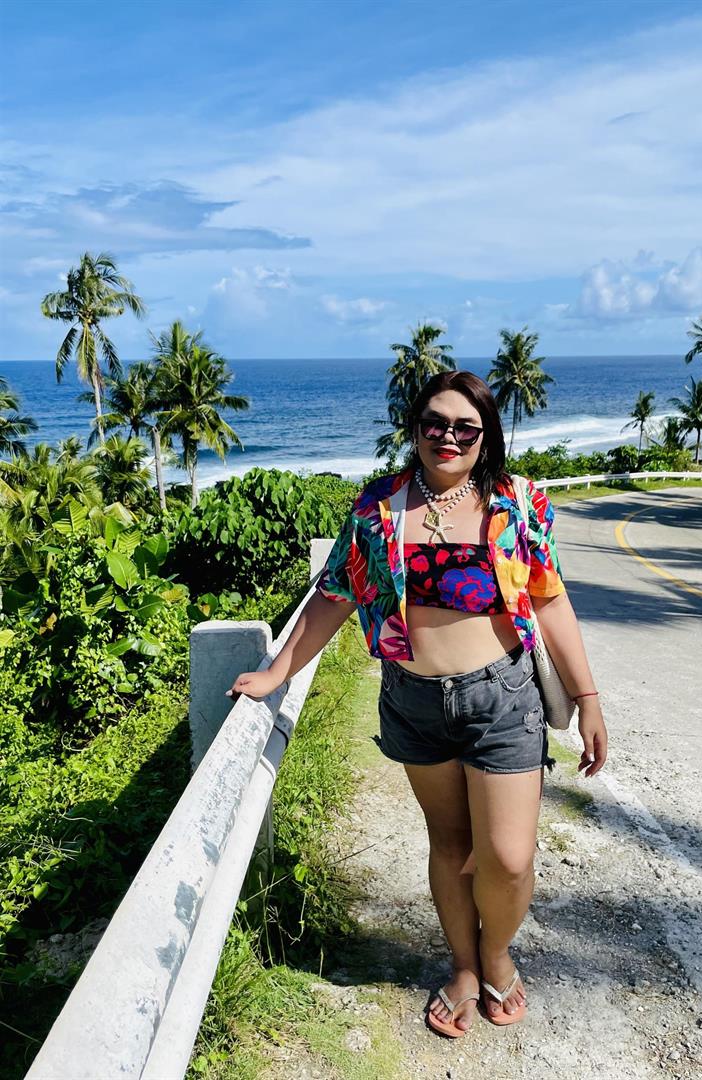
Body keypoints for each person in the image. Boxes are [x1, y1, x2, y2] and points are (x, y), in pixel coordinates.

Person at [227, 370, 607, 1037]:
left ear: (486, 435)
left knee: (508, 856)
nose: (448, 437)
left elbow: (549, 599)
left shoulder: (518, 501)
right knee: (450, 843)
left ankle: (496, 952)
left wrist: (587, 697)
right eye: (435, 422)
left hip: (502, 698)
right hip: (412, 699)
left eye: (465, 427)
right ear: (415, 427)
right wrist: (276, 672)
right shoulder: (378, 506)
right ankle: (463, 966)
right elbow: (335, 595)